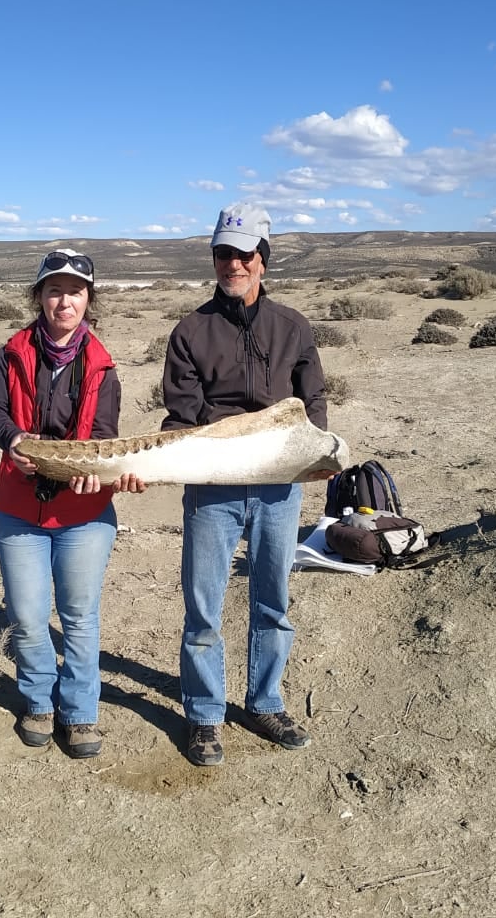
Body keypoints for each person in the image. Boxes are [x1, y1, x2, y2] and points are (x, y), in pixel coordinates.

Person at [161, 202, 330, 767]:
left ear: (262, 259)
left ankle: (264, 703)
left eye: (243, 254)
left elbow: (313, 401)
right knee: (204, 607)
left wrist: (315, 452)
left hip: (280, 488)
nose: (233, 263)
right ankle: (205, 716)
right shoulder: (190, 331)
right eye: (223, 254)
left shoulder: (293, 327)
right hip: (213, 487)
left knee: (273, 602)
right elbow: (182, 416)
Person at [0, 249, 143, 759]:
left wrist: (99, 476)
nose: (64, 300)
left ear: (88, 300)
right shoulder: (11, 353)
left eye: (74, 291)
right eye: (54, 290)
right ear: (39, 297)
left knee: (79, 617)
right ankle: (37, 701)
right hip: (18, 510)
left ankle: (79, 711)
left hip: (83, 515)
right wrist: (14, 442)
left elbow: (103, 436)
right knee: (26, 616)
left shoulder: (102, 366)